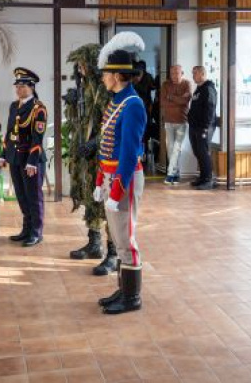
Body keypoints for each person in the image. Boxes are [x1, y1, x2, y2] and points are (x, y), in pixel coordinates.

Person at [94, 32, 147, 315]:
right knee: (117, 237)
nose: (103, 78)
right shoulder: (117, 101)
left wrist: (116, 190)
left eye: (106, 74)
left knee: (127, 239)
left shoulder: (133, 104)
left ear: (116, 76)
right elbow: (106, 146)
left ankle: (132, 297)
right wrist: (99, 180)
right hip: (111, 177)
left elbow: (127, 154)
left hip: (123, 180)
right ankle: (123, 289)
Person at [63, 45, 118, 275]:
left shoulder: (104, 90)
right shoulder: (84, 87)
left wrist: (95, 143)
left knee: (109, 205)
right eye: (78, 65)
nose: (80, 69)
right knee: (90, 198)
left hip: (104, 156)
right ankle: (94, 244)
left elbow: (111, 123)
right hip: (85, 155)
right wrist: (71, 103)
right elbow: (79, 121)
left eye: (83, 64)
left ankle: (113, 253)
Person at [0, 67, 47, 247]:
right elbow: (9, 132)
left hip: (30, 160)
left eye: (22, 86)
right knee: (21, 195)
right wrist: (4, 154)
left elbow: (37, 137)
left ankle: (36, 232)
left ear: (32, 87)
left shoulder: (38, 109)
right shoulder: (14, 106)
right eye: (17, 86)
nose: (18, 89)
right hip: (15, 158)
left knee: (33, 196)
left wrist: (32, 162)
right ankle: (26, 229)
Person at [160, 64, 192, 185]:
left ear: (182, 73)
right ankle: (175, 173)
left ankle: (170, 174)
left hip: (182, 121)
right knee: (170, 148)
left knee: (176, 148)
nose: (174, 76)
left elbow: (185, 101)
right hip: (168, 121)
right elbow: (163, 103)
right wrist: (178, 99)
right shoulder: (165, 84)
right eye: (172, 73)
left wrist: (170, 97)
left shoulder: (187, 84)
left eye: (176, 73)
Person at [188, 66, 218, 190]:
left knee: (203, 153)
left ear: (202, 74)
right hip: (195, 126)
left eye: (195, 73)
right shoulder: (198, 89)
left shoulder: (208, 89)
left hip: (204, 127)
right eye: (192, 73)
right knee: (198, 152)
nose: (193, 76)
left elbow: (210, 108)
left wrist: (205, 127)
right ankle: (203, 177)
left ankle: (208, 180)